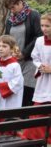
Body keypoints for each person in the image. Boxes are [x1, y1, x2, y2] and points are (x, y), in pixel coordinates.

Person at [4, 0, 42, 106]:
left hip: (29, 60)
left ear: (20, 3)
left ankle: (26, 119)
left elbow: (38, 36)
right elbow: (7, 37)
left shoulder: (33, 15)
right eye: (9, 8)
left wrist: (24, 53)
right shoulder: (10, 20)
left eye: (13, 7)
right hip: (15, 60)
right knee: (15, 90)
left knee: (27, 90)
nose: (12, 11)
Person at [23, 13, 51, 143]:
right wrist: (40, 66)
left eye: (47, 26)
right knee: (38, 110)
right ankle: (35, 138)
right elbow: (35, 57)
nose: (44, 29)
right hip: (43, 81)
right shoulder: (39, 40)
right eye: (42, 25)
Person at [0, 35, 24, 111]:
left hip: (10, 102)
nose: (0, 48)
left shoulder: (15, 65)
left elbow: (17, 83)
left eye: (4, 46)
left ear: (11, 49)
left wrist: (0, 86)